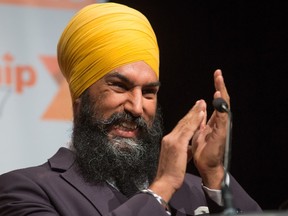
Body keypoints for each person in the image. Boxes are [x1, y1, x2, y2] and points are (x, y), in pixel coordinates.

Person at [0, 2, 262, 216]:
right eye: (119, 86)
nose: (137, 108)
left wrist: (214, 172)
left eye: (149, 92)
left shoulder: (198, 189)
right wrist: (162, 188)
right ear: (80, 96)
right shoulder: (26, 190)